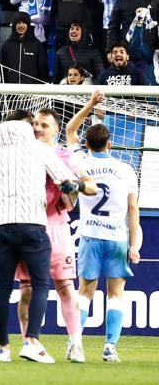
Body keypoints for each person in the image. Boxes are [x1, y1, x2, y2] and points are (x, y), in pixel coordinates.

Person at [0, 110, 81, 363]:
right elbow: (67, 181)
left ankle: (2, 348)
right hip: (34, 225)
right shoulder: (40, 150)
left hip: (4, 227)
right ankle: (32, 342)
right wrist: (70, 194)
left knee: (5, 288)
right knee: (40, 284)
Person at [66, 92, 143, 363]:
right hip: (117, 238)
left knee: (84, 291)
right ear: (110, 143)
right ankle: (110, 347)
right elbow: (133, 210)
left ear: (86, 143)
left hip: (89, 235)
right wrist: (135, 245)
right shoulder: (126, 169)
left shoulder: (80, 163)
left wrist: (90, 104)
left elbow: (70, 129)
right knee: (116, 293)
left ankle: (75, 343)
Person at [12, 107, 89, 360]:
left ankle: (76, 343)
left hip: (56, 229)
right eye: (35, 124)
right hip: (26, 228)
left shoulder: (66, 156)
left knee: (66, 288)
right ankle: (29, 343)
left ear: (57, 130)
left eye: (44, 125)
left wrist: (76, 185)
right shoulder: (20, 155)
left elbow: (90, 185)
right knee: (27, 291)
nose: (37, 128)